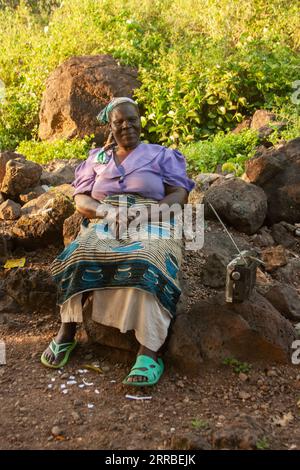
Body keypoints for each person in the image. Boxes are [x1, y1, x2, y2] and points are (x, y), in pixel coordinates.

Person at [41, 97, 195, 386]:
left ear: (140, 120)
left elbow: (179, 194)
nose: (127, 126)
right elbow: (81, 199)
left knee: (148, 259)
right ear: (110, 127)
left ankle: (149, 351)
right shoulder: (98, 158)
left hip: (153, 218)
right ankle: (67, 332)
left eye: (132, 119)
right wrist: (106, 211)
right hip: (107, 217)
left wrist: (147, 211)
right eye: (119, 122)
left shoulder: (161, 154)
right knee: (78, 254)